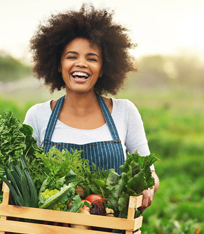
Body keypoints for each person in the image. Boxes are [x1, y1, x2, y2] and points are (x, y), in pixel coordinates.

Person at [24, 4, 159, 212]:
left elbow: (149, 172)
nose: (81, 63)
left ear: (104, 68)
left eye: (91, 58)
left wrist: (148, 186)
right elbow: (21, 176)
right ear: (58, 65)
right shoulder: (38, 116)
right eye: (72, 56)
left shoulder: (125, 112)